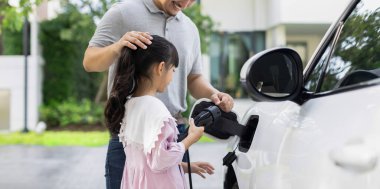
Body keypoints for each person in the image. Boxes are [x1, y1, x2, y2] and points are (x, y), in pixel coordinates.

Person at [83, 0, 234, 188]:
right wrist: (118, 47)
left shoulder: (190, 29)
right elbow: (90, 62)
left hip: (173, 135)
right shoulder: (123, 12)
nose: (186, 4)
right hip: (130, 134)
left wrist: (214, 94)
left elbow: (193, 78)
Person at [104, 35, 210, 189]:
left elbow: (146, 161)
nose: (172, 78)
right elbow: (160, 160)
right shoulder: (156, 110)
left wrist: (184, 167)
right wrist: (191, 139)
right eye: (173, 70)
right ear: (161, 68)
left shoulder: (129, 104)